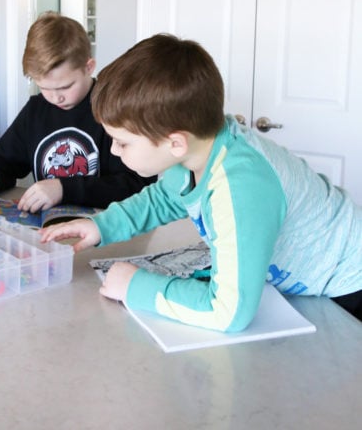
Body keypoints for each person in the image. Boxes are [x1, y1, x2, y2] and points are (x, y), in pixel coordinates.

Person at [41, 33, 362, 331]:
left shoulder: (239, 186)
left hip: (348, 288)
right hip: (309, 282)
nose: (113, 150)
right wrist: (101, 227)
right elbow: (163, 199)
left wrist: (135, 286)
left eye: (123, 142)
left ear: (175, 142)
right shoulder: (197, 148)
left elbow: (230, 311)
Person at [0, 12, 155, 213]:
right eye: (44, 88)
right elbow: (5, 159)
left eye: (65, 87)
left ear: (88, 67)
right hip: (50, 229)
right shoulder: (36, 110)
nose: (56, 98)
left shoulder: (115, 109)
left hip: (109, 228)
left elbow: (136, 185)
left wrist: (64, 189)